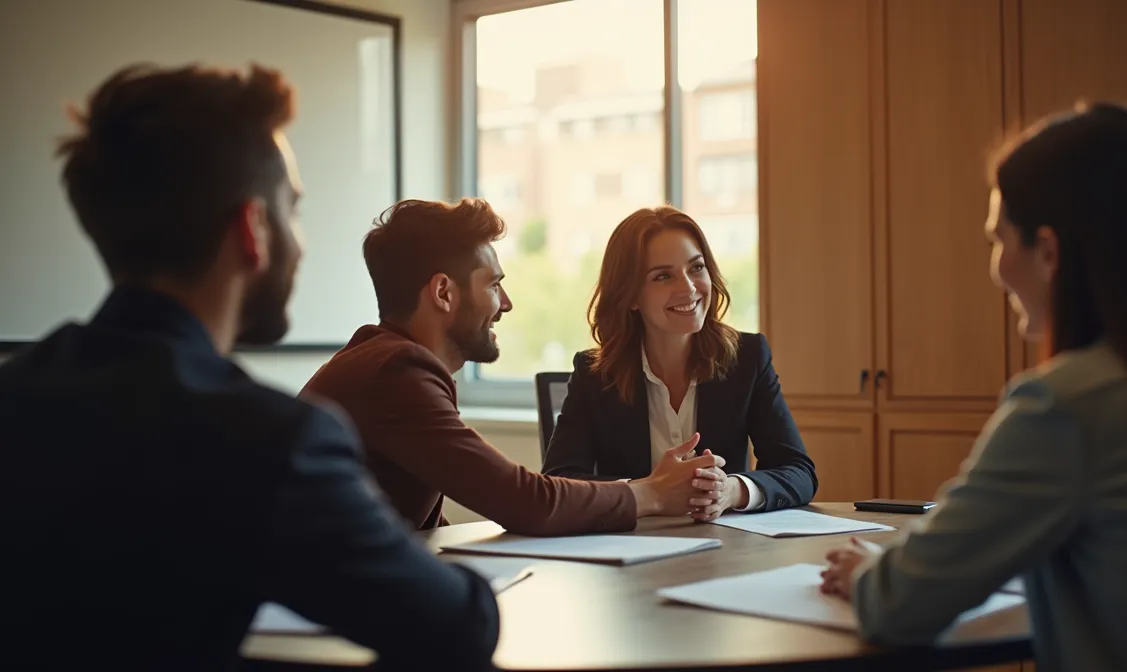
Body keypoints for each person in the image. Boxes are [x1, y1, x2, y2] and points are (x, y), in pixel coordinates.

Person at [0, 63, 500, 671]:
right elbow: (458, 626)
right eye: (293, 210)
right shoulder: (272, 441)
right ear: (253, 229)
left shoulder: (15, 396)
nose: (301, 243)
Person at [820, 102, 1127, 671]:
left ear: (1049, 252)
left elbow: (899, 604)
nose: (996, 269)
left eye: (999, 240)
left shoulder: (1067, 405)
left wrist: (869, 573)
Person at [300, 198, 719, 535]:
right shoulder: (397, 372)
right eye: (494, 284)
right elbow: (525, 502)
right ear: (443, 293)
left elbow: (422, 526)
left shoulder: (385, 361)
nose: (506, 303)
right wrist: (653, 493)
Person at [541, 206, 818, 520]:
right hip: (632, 544)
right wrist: (649, 492)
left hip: (725, 544)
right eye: (663, 276)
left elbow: (799, 472)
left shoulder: (748, 357)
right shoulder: (594, 374)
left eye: (696, 267)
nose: (688, 288)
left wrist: (731, 490)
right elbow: (558, 481)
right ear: (630, 295)